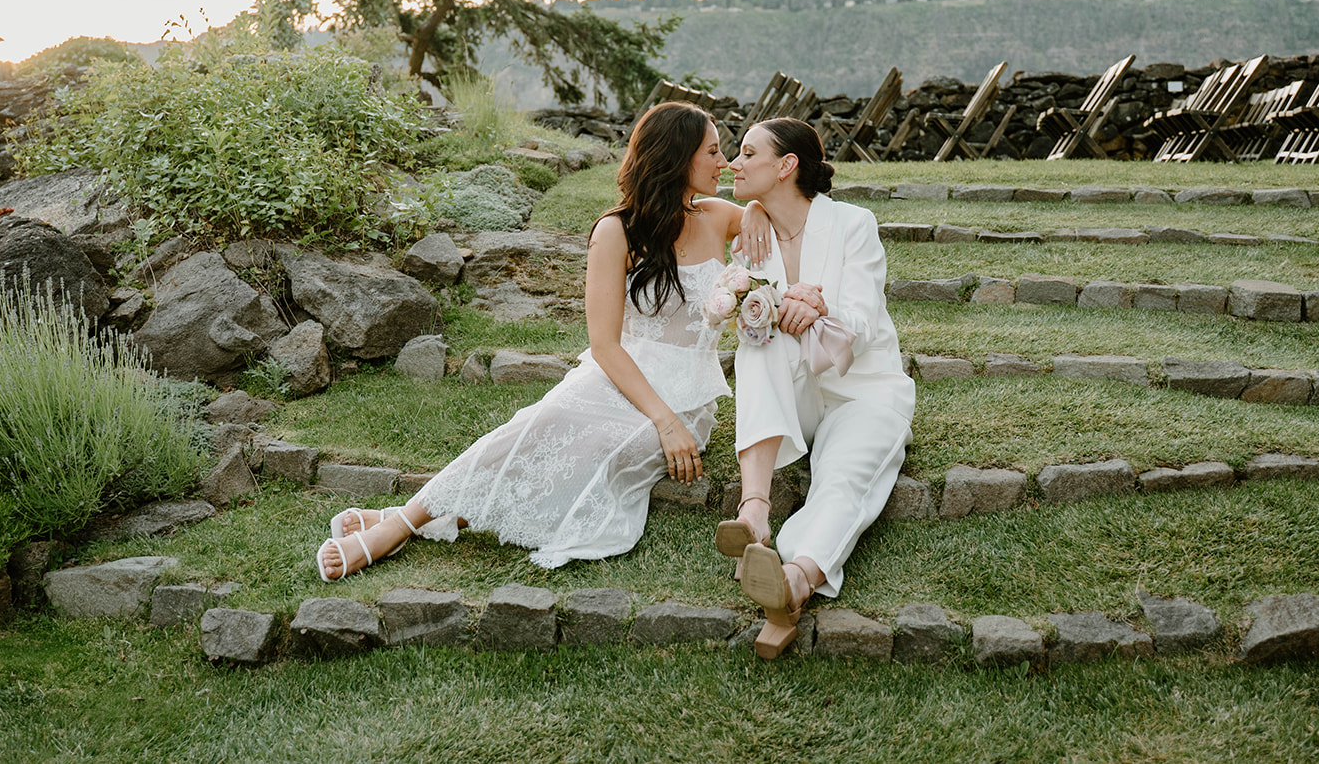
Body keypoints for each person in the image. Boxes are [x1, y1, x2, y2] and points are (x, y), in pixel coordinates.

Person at [316, 101, 762, 579]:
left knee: (600, 450)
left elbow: (783, 213)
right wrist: (663, 421)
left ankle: (406, 518)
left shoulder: (720, 216)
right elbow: (605, 345)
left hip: (688, 395)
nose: (725, 162)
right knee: (538, 424)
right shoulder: (616, 231)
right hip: (617, 377)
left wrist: (755, 207)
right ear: (675, 158)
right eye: (713, 152)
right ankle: (399, 526)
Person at [717, 117, 915, 658]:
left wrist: (818, 305)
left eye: (747, 153)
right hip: (797, 398)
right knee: (756, 332)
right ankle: (753, 509)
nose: (733, 162)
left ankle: (795, 579)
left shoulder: (854, 223)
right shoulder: (752, 232)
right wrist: (754, 212)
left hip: (863, 390)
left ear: (786, 166)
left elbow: (866, 318)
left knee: (844, 479)